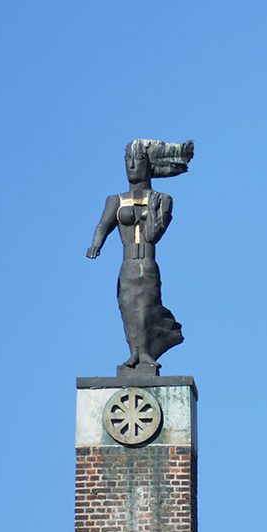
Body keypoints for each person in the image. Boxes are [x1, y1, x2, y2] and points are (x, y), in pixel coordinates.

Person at [87, 139, 193, 370]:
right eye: (128, 160)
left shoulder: (161, 199)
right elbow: (102, 226)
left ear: (149, 165)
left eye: (138, 160)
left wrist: (154, 211)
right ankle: (133, 352)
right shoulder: (115, 200)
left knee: (145, 307)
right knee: (127, 306)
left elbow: (154, 234)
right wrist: (96, 243)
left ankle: (145, 353)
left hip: (147, 261)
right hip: (127, 263)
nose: (132, 165)